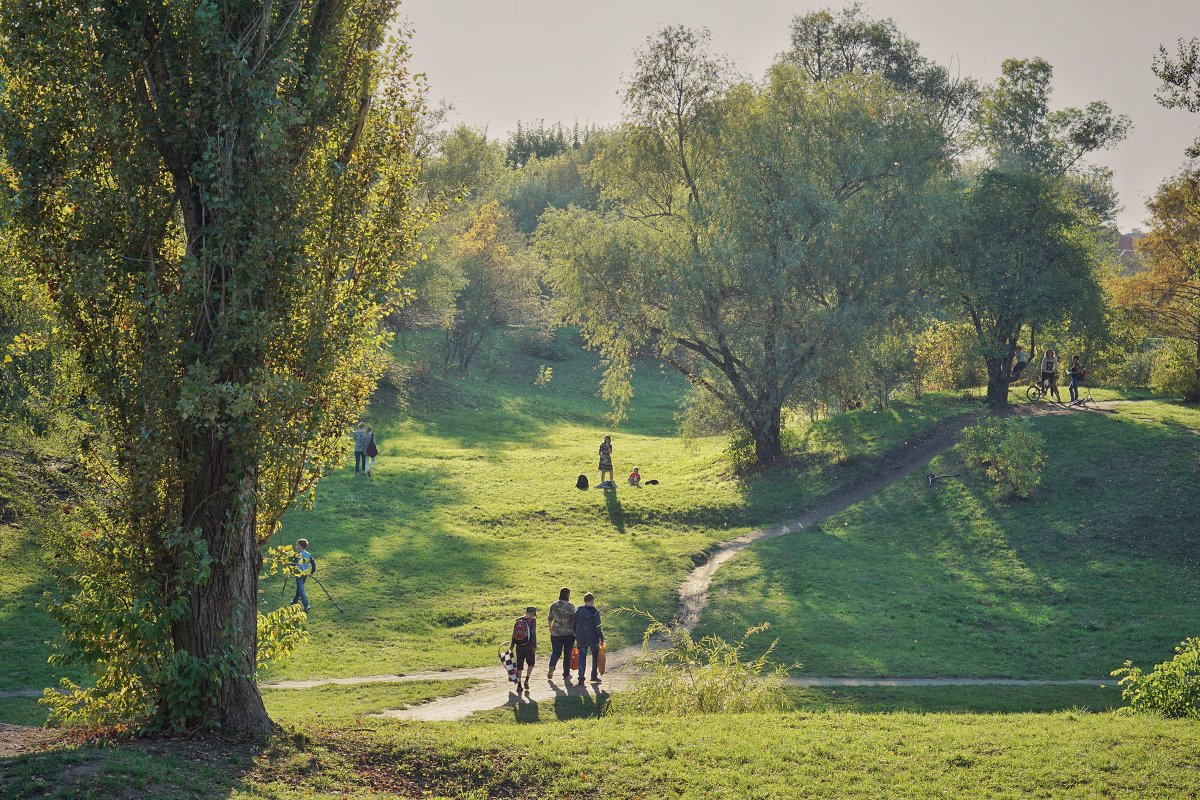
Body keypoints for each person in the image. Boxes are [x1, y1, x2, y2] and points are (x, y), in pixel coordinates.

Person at [573, 592, 605, 684]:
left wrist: (575, 632)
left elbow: (574, 623)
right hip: (593, 637)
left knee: (582, 658)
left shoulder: (579, 610)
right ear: (592, 601)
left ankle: (581, 678)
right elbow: (598, 627)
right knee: (595, 657)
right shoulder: (595, 612)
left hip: (581, 637)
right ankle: (593, 676)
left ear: (584, 600)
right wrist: (601, 637)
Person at [547, 587, 576, 682]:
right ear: (568, 595)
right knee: (567, 653)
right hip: (568, 633)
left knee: (556, 652)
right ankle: (566, 674)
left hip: (556, 633)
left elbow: (550, 618)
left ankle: (552, 666)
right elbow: (573, 620)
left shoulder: (554, 605)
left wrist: (550, 628)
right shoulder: (571, 606)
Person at [510, 606, 538, 692]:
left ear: (526, 611)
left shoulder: (519, 621)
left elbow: (514, 634)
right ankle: (527, 679)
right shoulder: (533, 620)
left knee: (519, 665)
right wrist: (534, 646)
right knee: (531, 663)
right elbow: (533, 633)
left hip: (519, 646)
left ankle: (519, 685)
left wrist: (512, 645)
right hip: (529, 646)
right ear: (533, 613)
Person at [291, 538, 316, 613]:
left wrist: (289, 570)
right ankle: (294, 601)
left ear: (301, 547)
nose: (296, 547)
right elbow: (313, 563)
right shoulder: (308, 554)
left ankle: (306, 605)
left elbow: (293, 564)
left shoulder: (297, 555)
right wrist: (312, 572)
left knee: (301, 589)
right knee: (299, 588)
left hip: (299, 574)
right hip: (305, 574)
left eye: (298, 545)